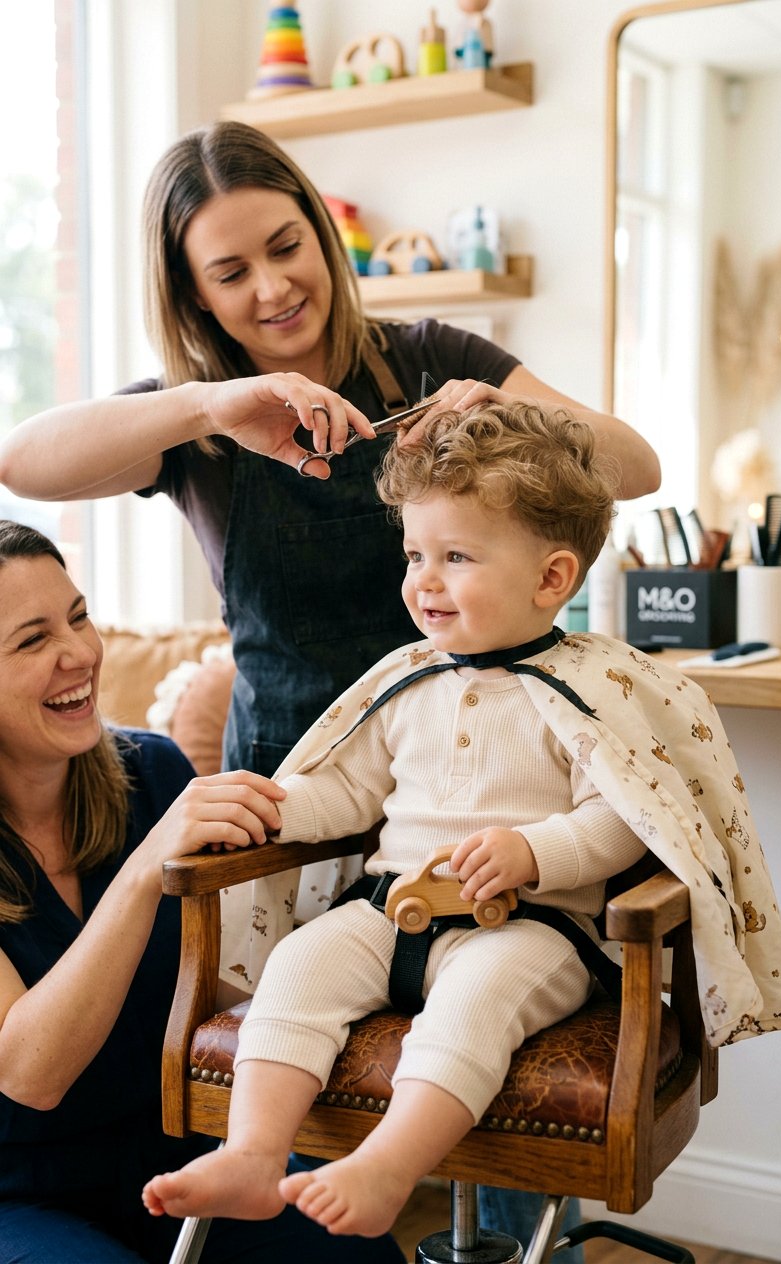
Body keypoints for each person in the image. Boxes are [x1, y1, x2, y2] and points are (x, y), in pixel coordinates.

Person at [0, 118, 660, 1252]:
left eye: (285, 244)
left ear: (321, 232)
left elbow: (636, 465)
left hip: (478, 802)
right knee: (304, 1071)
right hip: (301, 810)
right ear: (194, 296)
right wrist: (213, 405)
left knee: (481, 1049)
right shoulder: (201, 425)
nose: (271, 287)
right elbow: (24, 458)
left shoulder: (427, 357)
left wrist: (516, 418)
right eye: (230, 272)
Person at [140, 402, 649, 1239]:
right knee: (301, 962)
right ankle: (254, 1154)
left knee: (477, 1000)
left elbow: (626, 819)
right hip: (394, 908)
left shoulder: (594, 690)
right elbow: (348, 795)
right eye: (415, 554)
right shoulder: (405, 678)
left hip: (535, 928)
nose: (423, 579)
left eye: (455, 556)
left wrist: (534, 851)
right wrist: (275, 807)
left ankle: (388, 1165)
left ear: (552, 578)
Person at [0, 519, 406, 1264]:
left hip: (175, 1148)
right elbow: (32, 1075)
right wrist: (148, 865)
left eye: (79, 616)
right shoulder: (160, 824)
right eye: (32, 640)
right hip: (19, 1190)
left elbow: (229, 982)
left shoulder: (150, 772)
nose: (80, 654)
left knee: (354, 1252)